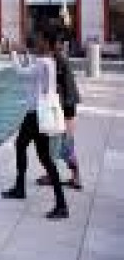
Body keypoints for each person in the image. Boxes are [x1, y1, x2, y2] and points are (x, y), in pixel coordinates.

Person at [2, 27, 68, 219]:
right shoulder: (50, 61)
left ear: (46, 43)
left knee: (22, 146)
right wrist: (25, 52)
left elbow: (21, 73)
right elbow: (34, 71)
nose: (36, 42)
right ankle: (59, 203)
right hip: (41, 113)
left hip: (36, 114)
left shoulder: (43, 63)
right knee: (43, 157)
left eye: (39, 39)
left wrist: (13, 53)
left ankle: (22, 188)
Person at [37, 37, 82, 190]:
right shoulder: (57, 59)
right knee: (56, 144)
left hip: (65, 108)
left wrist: (64, 113)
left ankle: (75, 177)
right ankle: (55, 174)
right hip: (64, 107)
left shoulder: (58, 61)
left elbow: (64, 88)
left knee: (65, 145)